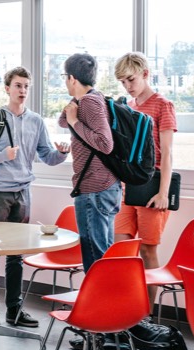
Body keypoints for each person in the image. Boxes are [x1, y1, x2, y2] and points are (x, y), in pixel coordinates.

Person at [0, 66, 70, 327]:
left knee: (17, 256)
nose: (22, 91)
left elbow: (46, 156)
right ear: (7, 88)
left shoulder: (35, 121)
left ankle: (14, 309)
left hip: (23, 192)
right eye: (17, 86)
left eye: (26, 86)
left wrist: (62, 154)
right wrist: (3, 156)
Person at [114, 52, 177, 313]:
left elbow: (168, 152)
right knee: (120, 250)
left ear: (145, 74)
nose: (128, 86)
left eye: (131, 79)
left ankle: (146, 317)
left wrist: (163, 193)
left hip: (152, 186)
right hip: (128, 186)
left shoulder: (163, 105)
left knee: (148, 253)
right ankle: (124, 311)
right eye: (123, 82)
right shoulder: (127, 107)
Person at [58, 53, 122, 273]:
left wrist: (75, 120)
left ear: (72, 77)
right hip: (100, 188)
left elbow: (105, 144)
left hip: (95, 189)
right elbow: (61, 121)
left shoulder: (91, 102)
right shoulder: (88, 99)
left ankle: (101, 306)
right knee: (99, 252)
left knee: (96, 257)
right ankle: (104, 305)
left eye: (65, 77)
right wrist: (74, 103)